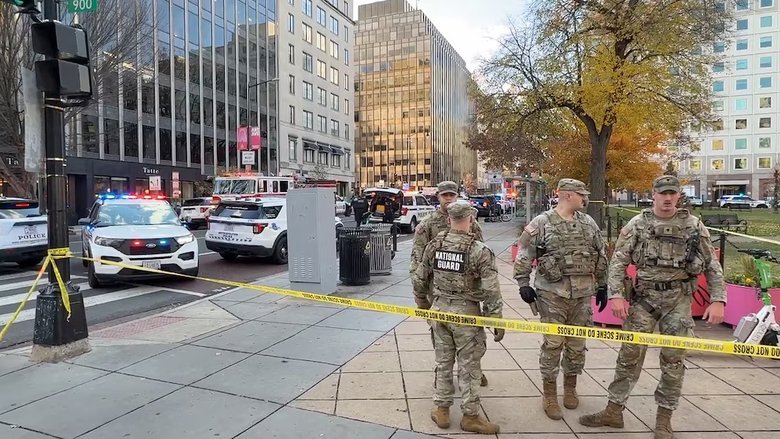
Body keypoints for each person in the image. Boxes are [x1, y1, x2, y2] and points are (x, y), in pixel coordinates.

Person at [578, 175, 726, 439]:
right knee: (628, 357)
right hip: (643, 301)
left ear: (679, 196)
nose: (668, 198)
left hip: (678, 301)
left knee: (673, 361)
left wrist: (718, 299)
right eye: (663, 193)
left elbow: (712, 266)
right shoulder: (638, 224)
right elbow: (618, 262)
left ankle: (664, 420)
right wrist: (615, 296)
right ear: (654, 195)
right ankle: (614, 411)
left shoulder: (693, 226)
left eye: (673, 193)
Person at [513, 178, 608, 420]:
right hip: (552, 295)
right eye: (580, 194)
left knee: (577, 345)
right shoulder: (542, 223)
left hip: (582, 295)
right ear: (567, 195)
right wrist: (523, 284)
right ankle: (550, 395)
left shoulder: (588, 223)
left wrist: (603, 285)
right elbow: (524, 253)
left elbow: (600, 253)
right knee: (553, 344)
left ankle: (570, 388)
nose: (584, 198)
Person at [412, 200, 504, 434]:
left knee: (443, 362)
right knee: (469, 366)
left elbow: (420, 278)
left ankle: (442, 411)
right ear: (471, 219)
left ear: (450, 219)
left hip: (439, 310)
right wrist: (495, 319)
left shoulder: (435, 245)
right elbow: (491, 289)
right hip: (467, 315)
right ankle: (470, 416)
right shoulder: (479, 250)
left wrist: (423, 303)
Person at [410, 181, 488, 386]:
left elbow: (480, 254)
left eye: (452, 195)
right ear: (438, 196)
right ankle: (442, 372)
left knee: (471, 337)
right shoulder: (427, 225)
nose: (448, 199)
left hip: (466, 291)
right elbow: (417, 259)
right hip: (437, 291)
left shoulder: (471, 223)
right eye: (445, 195)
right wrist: (419, 292)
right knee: (440, 336)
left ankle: (473, 370)